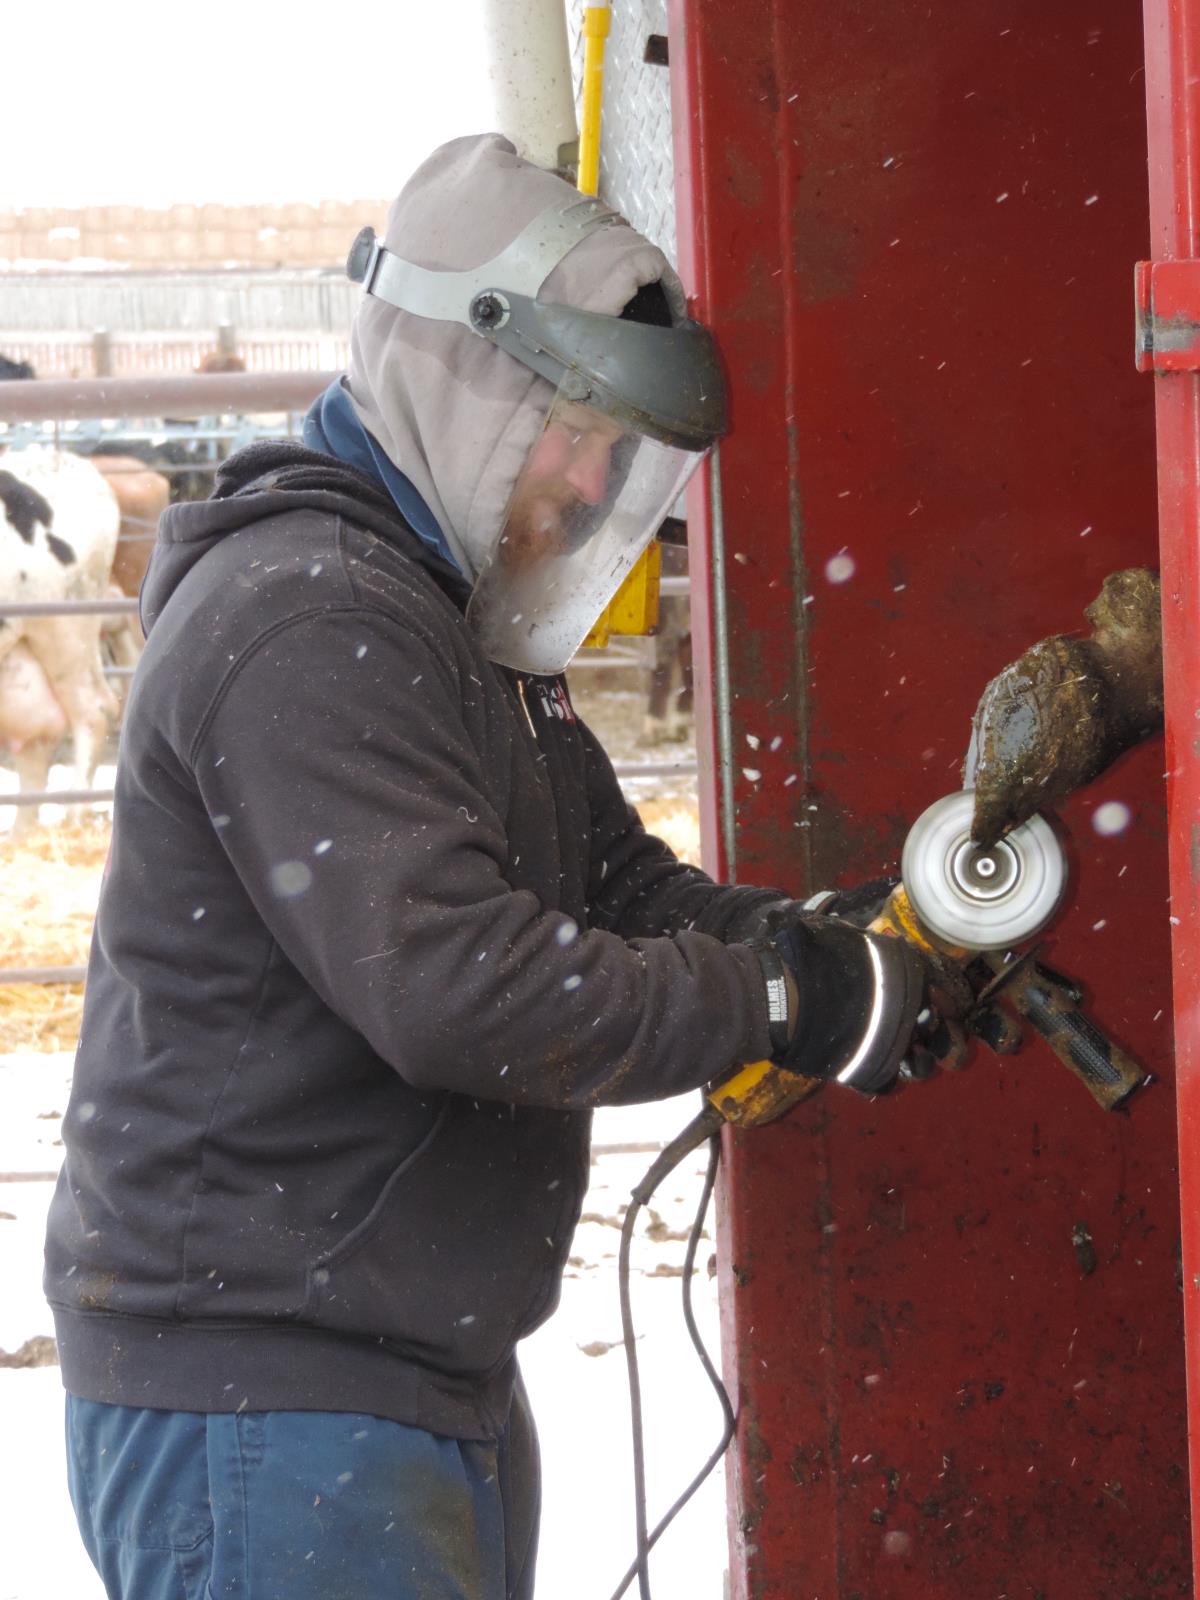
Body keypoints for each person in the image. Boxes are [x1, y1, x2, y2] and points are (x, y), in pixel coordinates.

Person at [45, 134, 937, 1600]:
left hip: (394, 1364)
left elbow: (620, 893)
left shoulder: (443, 620)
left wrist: (836, 945)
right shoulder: (308, 617)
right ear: (463, 370)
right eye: (574, 427)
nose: (593, 485)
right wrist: (784, 1002)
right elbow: (464, 990)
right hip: (269, 1391)